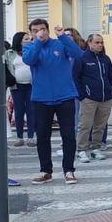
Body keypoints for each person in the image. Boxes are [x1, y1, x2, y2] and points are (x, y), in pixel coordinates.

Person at [21, 19, 82, 184]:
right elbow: (29, 60)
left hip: (65, 96)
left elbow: (78, 55)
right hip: (41, 98)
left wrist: (63, 37)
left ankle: (69, 170)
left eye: (42, 29)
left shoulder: (59, 44)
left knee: (68, 135)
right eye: (35, 30)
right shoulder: (29, 47)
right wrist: (38, 43)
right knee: (42, 136)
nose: (40, 32)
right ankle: (45, 170)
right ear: (32, 33)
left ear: (48, 30)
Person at [74, 34, 112, 163]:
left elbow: (111, 77)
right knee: (85, 125)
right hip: (89, 98)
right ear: (89, 43)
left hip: (106, 98)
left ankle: (96, 148)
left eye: (101, 42)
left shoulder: (105, 59)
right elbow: (75, 77)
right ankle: (81, 150)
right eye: (97, 42)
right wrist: (82, 95)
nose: (100, 45)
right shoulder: (82, 58)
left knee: (100, 126)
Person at [5, 32, 34, 146]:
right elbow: (6, 68)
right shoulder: (10, 53)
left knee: (31, 110)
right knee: (19, 111)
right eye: (26, 39)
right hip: (16, 86)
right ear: (19, 41)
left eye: (30, 39)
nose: (30, 40)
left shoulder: (32, 50)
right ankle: (19, 137)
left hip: (32, 85)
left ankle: (31, 137)